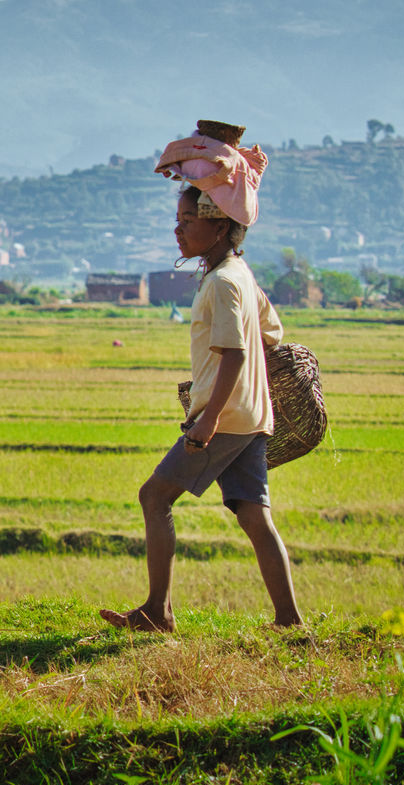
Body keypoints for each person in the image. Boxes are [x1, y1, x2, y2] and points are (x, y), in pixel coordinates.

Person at [101, 182, 299, 632]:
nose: (178, 229)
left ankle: (157, 612)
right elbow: (271, 332)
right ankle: (289, 620)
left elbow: (236, 353)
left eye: (188, 221)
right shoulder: (239, 275)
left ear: (220, 225)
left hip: (223, 418)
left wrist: (207, 419)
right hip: (250, 415)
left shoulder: (225, 282)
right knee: (253, 513)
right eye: (179, 220)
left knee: (154, 497)